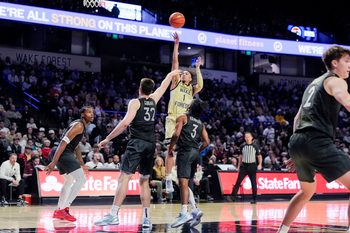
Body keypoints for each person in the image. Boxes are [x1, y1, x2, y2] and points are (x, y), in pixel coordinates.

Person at [94, 69, 180, 229]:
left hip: (137, 143)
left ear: (140, 88)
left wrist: (108, 138)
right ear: (151, 89)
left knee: (124, 178)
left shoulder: (135, 102)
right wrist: (175, 72)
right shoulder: (154, 99)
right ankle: (147, 218)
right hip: (150, 144)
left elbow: (125, 123)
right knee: (144, 180)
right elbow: (166, 82)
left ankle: (113, 215)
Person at [277, 45, 350, 233]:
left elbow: (296, 118)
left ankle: (282, 231)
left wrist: (296, 152)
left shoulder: (314, 84)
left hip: (297, 141)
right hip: (317, 141)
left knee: (307, 191)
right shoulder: (336, 81)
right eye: (347, 61)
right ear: (335, 63)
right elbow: (345, 99)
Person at [165, 32, 204, 194]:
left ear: (190, 78)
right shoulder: (175, 83)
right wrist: (176, 45)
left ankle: (184, 180)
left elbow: (200, 85)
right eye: (182, 73)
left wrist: (197, 69)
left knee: (184, 152)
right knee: (170, 149)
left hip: (185, 122)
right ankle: (168, 178)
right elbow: (175, 63)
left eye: (186, 73)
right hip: (173, 119)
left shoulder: (191, 89)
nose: (183, 73)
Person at [45, 106, 94, 222]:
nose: (92, 114)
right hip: (62, 152)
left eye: (92, 112)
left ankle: (58, 210)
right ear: (82, 114)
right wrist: (53, 162)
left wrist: (82, 164)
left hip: (60, 152)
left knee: (69, 181)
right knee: (81, 180)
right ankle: (64, 208)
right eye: (89, 112)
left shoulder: (81, 125)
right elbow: (63, 142)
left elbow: (76, 147)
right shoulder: (79, 125)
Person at [168, 99, 209, 228]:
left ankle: (184, 212)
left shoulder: (183, 117)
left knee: (182, 182)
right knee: (185, 183)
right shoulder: (201, 123)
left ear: (190, 106)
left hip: (185, 151)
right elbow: (207, 141)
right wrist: (197, 150)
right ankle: (195, 210)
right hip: (195, 153)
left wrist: (171, 147)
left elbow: (176, 134)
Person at [229, 131, 262, 204]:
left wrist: (260, 164)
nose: (247, 138)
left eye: (248, 137)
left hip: (252, 166)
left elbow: (259, 156)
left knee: (253, 183)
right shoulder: (242, 146)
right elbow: (240, 157)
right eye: (246, 137)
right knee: (238, 181)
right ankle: (232, 197)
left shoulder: (255, 146)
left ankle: (254, 199)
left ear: (251, 138)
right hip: (244, 166)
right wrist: (238, 166)